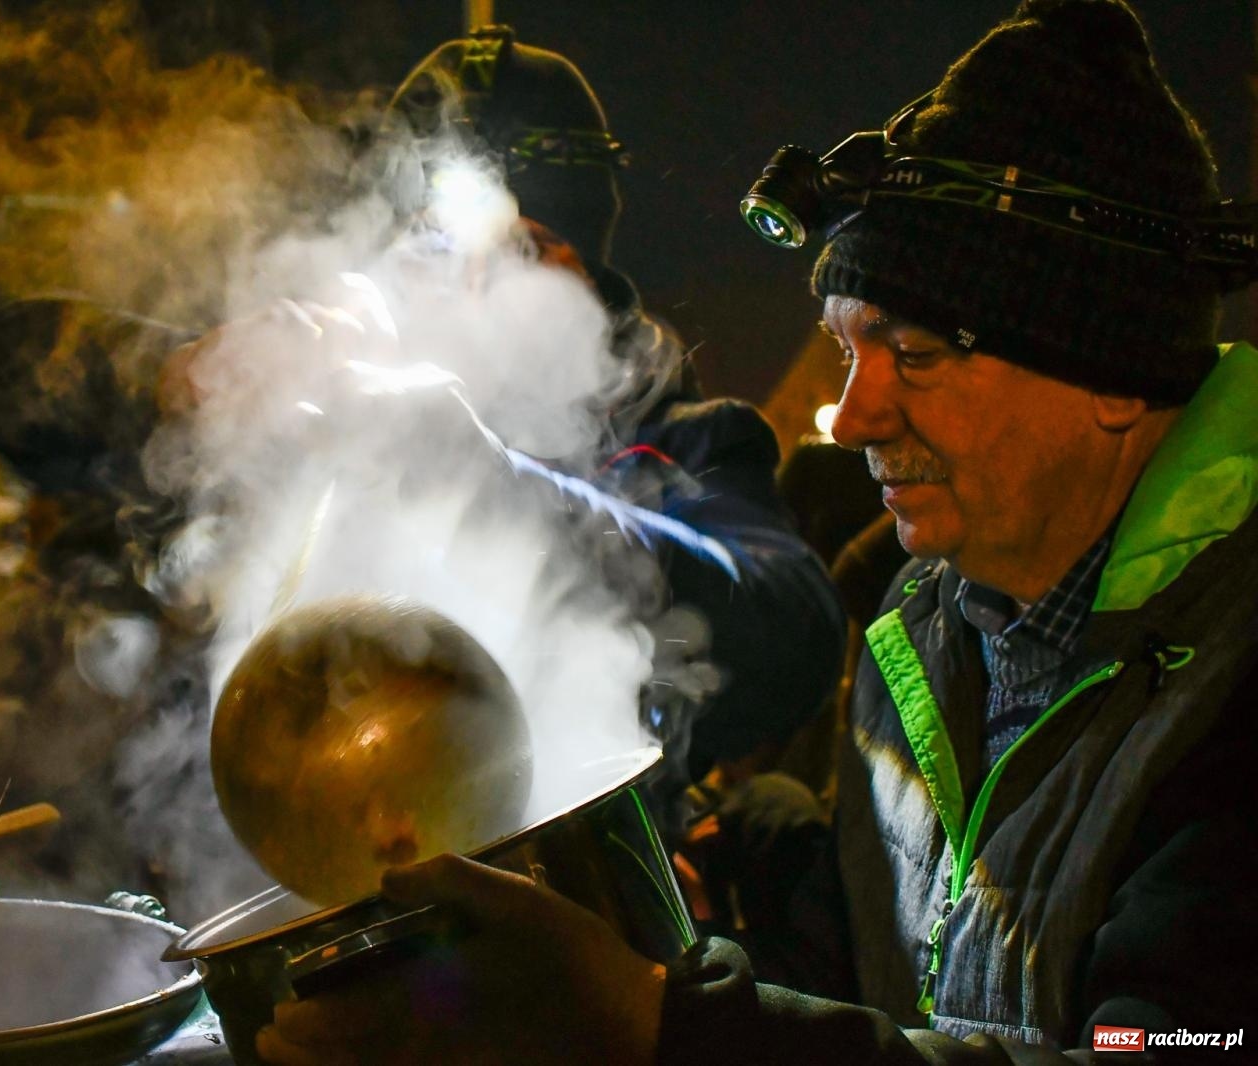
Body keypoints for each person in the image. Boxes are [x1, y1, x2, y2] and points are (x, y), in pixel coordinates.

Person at [254, 1, 1258, 1061]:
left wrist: (652, 1023)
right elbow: (872, 993)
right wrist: (680, 928)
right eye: (845, 352)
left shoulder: (1227, 678)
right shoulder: (922, 625)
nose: (858, 415)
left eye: (911, 351)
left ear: (1107, 372)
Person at [389, 27, 845, 789]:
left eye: (523, 253)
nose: (474, 292)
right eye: (434, 256)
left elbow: (793, 630)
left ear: (584, 270)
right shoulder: (371, 431)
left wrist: (501, 488)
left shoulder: (685, 442)